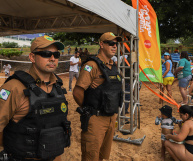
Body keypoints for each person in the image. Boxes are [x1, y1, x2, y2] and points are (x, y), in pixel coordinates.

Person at [0, 36, 71, 161]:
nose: (52, 58)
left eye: (56, 54)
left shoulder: (58, 87)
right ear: (32, 57)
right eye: (46, 54)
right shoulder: (14, 87)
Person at [73, 32, 122, 161]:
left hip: (111, 118)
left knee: (102, 156)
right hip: (95, 119)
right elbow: (77, 92)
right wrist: (89, 108)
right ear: (101, 44)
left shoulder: (113, 66)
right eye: (111, 43)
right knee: (91, 156)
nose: (114, 46)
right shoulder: (91, 65)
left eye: (116, 44)